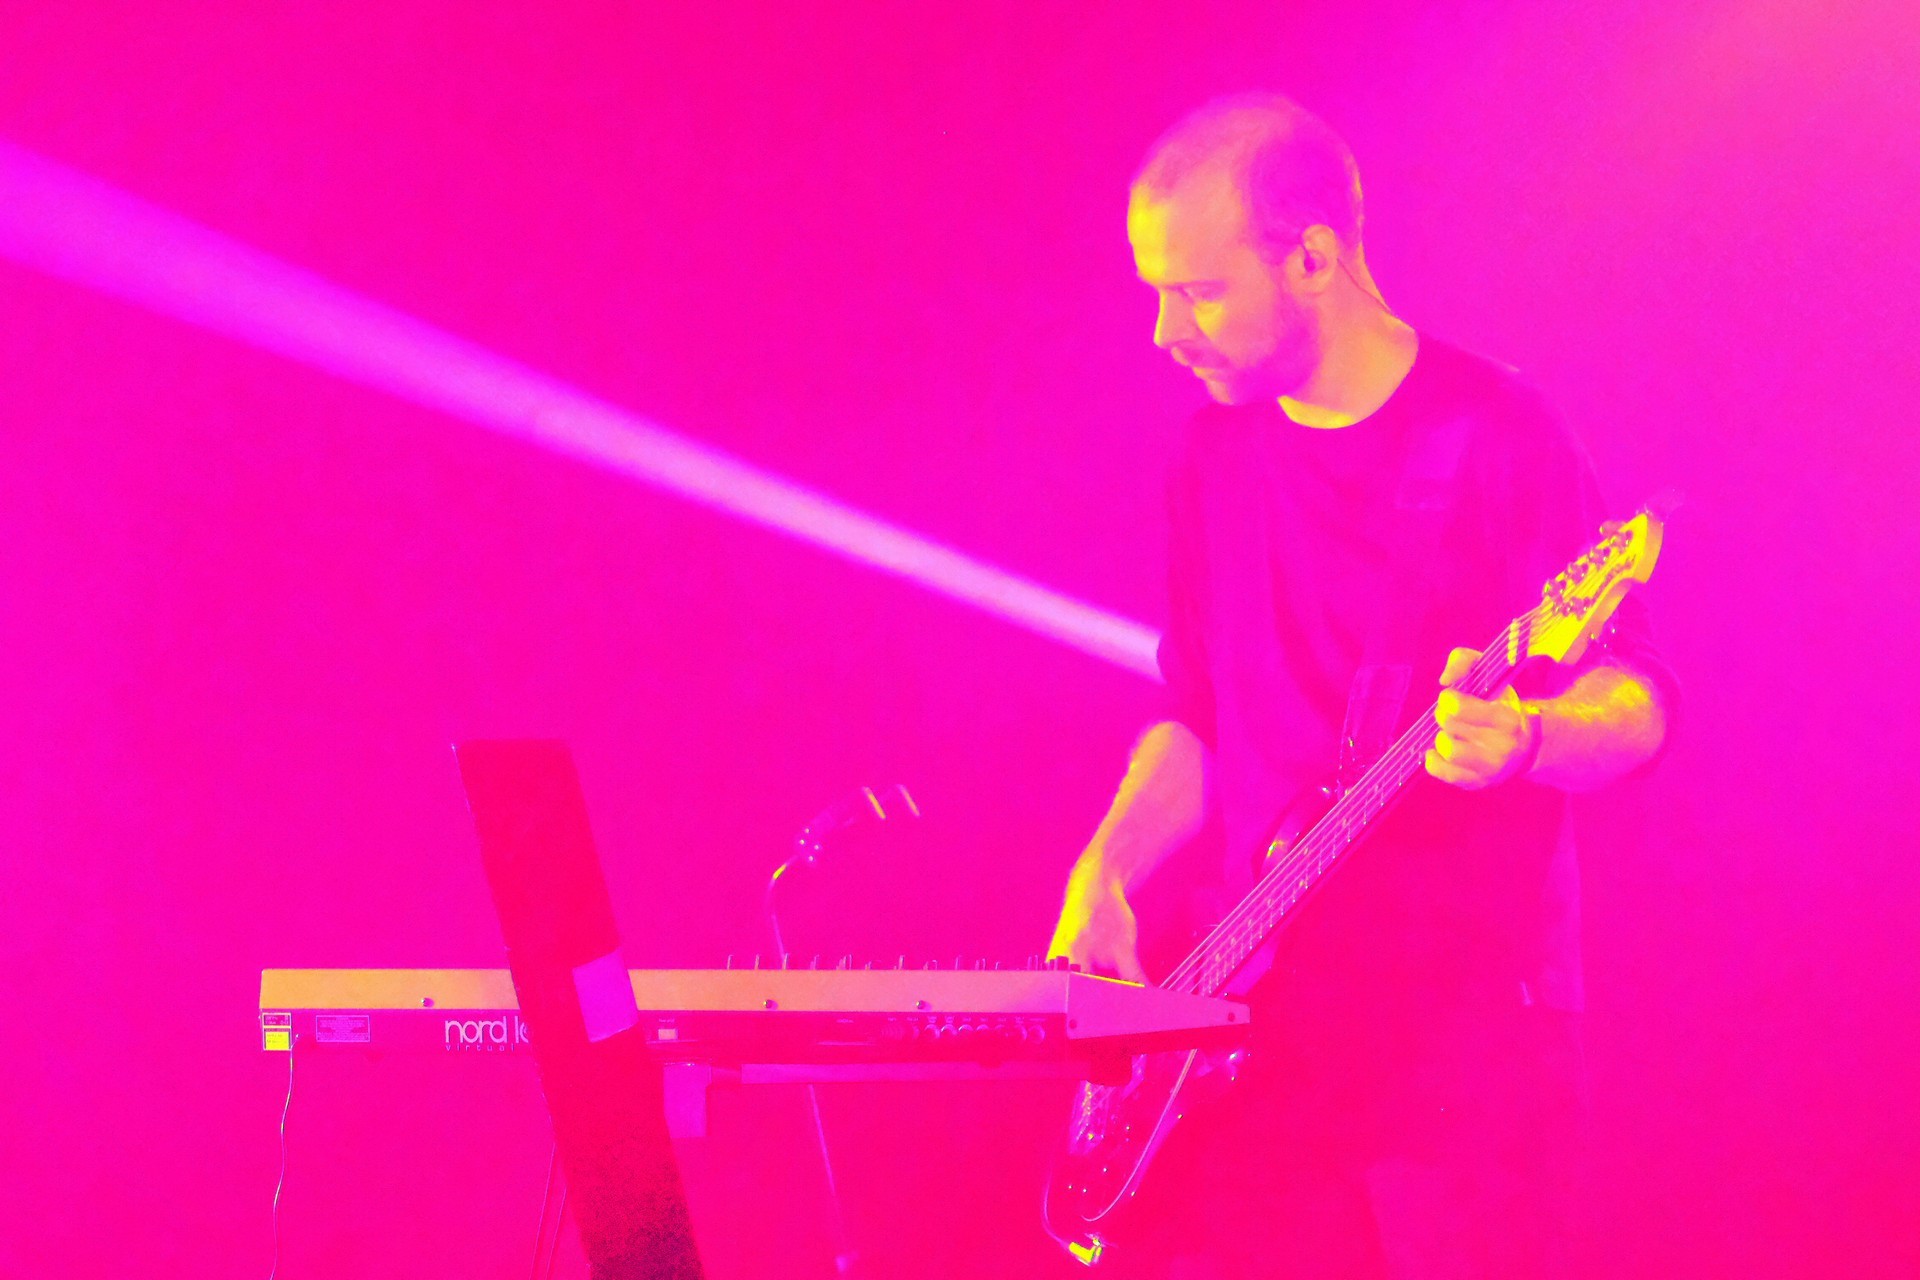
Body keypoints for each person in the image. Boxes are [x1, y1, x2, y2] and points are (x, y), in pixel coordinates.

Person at [1045, 93, 1676, 1279]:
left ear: (1314, 257)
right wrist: (1107, 875)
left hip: (1464, 1041)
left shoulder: (1498, 432)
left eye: (1198, 291)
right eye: (1156, 293)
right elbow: (1198, 711)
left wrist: (1531, 735)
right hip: (1255, 1027)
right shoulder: (1213, 455)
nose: (1165, 330)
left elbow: (1637, 702)